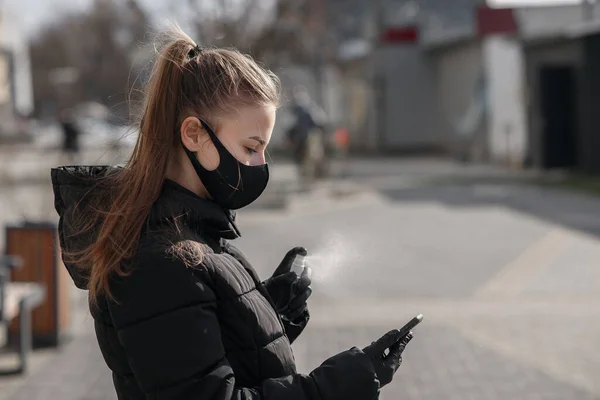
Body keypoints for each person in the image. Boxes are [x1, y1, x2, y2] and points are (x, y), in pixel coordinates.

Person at [51, 28, 414, 400]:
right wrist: (332, 388)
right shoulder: (161, 260)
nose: (260, 165)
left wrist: (271, 311)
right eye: (250, 147)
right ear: (194, 134)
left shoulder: (193, 230)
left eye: (264, 150)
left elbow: (206, 353)